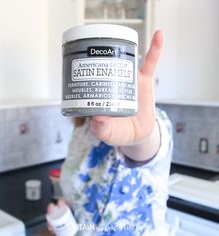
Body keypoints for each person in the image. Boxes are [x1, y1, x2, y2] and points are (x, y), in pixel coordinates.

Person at [47, 31, 174, 236]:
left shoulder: (146, 121)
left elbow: (144, 146)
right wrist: (65, 214)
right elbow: (80, 191)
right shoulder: (82, 124)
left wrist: (140, 137)